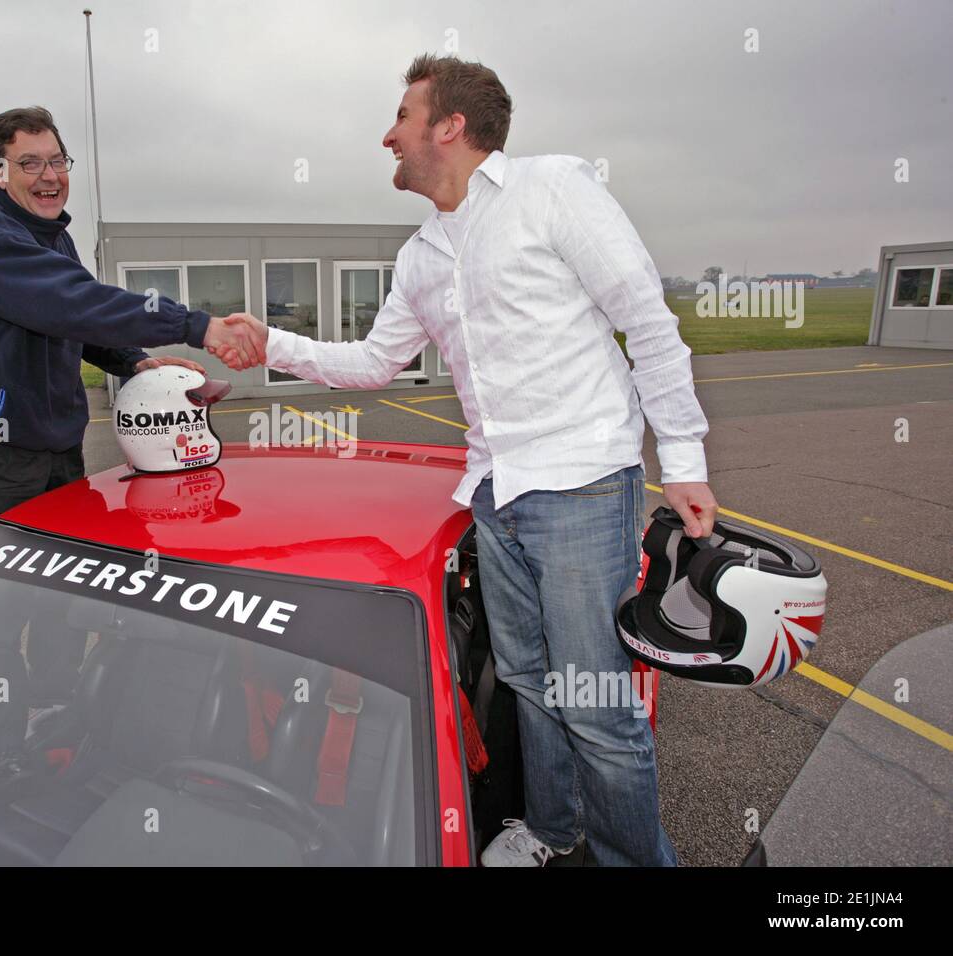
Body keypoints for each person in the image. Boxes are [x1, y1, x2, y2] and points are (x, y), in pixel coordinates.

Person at [209, 56, 718, 866]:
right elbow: (374, 363)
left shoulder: (552, 190)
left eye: (402, 117)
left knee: (596, 705)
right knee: (525, 681)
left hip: (582, 483)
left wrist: (683, 458)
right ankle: (549, 831)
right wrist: (274, 344)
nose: (389, 135)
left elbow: (647, 323)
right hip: (495, 491)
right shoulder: (420, 257)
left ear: (450, 126)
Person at [0, 106, 262, 772]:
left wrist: (130, 362)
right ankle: (4, 751)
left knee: (69, 587)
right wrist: (195, 325)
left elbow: (79, 317)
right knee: (2, 602)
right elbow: (72, 304)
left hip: (57, 444)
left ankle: (59, 709)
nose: (48, 175)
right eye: (28, 163)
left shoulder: (51, 237)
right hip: (2, 451)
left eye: (57, 160)